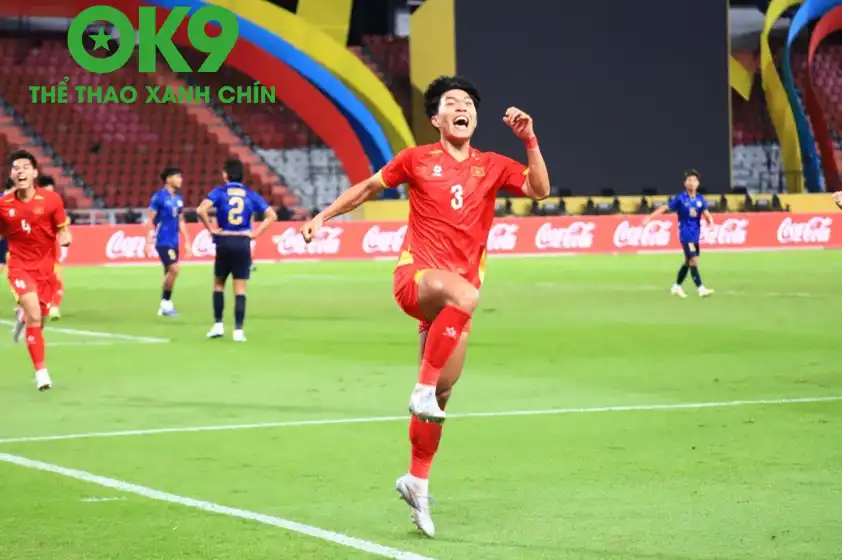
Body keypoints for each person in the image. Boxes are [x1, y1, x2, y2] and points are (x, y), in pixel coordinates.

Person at [299, 75, 550, 537]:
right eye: (452, 102)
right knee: (465, 299)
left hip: (452, 303)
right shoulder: (416, 159)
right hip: (417, 279)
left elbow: (539, 189)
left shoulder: (492, 165)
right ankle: (421, 387)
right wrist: (323, 216)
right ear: (436, 118)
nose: (462, 108)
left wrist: (529, 139)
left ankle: (416, 481)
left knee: (441, 398)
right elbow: (368, 188)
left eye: (468, 103)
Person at [0, 150, 71, 391]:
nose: (20, 171)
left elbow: (62, 228)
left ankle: (23, 319)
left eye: (25, 167)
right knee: (33, 312)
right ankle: (41, 373)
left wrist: (65, 236)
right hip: (19, 266)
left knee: (38, 319)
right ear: (11, 175)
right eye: (16, 168)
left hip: (45, 269)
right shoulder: (4, 205)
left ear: (34, 173)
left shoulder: (52, 200)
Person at [197, 158, 277, 342]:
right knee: (240, 289)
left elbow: (201, 210)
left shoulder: (219, 192)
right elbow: (272, 215)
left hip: (224, 240)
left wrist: (211, 229)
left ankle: (218, 325)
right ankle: (238, 331)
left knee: (219, 284)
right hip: (242, 242)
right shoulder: (250, 194)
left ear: (225, 175)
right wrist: (255, 234)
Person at [643, 169, 715, 298]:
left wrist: (711, 221)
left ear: (698, 183)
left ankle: (676, 286)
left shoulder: (700, 199)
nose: (692, 182)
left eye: (694, 180)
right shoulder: (680, 198)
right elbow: (665, 208)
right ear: (685, 183)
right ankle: (701, 288)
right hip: (686, 235)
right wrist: (649, 217)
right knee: (693, 260)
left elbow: (706, 213)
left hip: (695, 235)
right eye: (689, 180)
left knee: (688, 261)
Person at [147, 167, 191, 317]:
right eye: (177, 177)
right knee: (174, 269)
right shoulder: (159, 197)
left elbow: (181, 220)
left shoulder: (178, 198)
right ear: (168, 179)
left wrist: (187, 241)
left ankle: (163, 306)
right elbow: (150, 220)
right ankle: (166, 303)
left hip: (174, 241)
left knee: (168, 274)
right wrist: (147, 242)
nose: (180, 180)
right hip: (162, 240)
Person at [35, 174, 65, 320]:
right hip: (34, 250)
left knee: (55, 279)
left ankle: (54, 307)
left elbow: (61, 224)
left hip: (51, 250)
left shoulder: (55, 204)